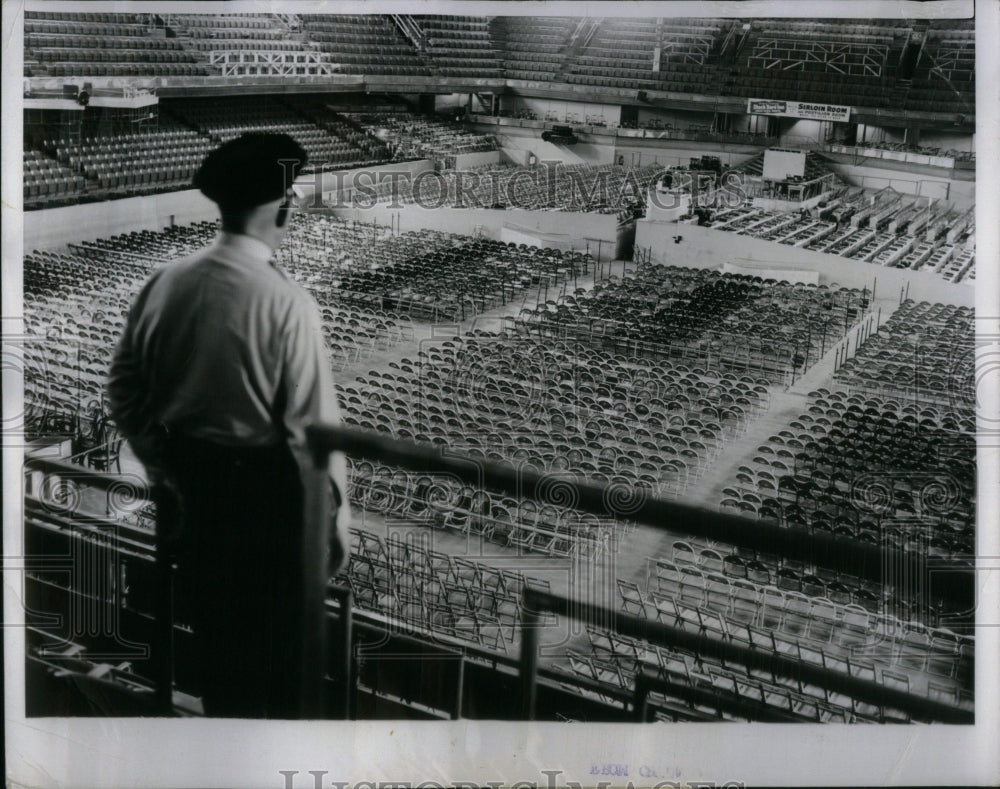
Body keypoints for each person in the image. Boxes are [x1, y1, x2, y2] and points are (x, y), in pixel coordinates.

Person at [107, 133, 351, 718]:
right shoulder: (286, 301)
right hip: (266, 511)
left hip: (193, 504)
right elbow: (312, 433)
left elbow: (122, 391)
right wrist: (335, 526)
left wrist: (168, 465)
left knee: (222, 661)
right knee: (279, 675)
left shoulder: (165, 281)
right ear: (285, 204)